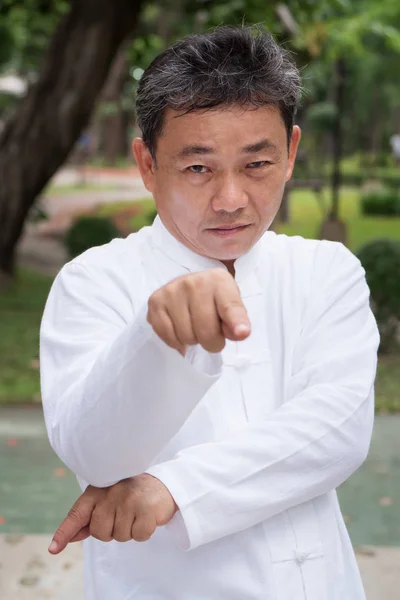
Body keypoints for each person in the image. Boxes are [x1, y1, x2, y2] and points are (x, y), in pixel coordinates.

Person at [40, 25, 379, 600]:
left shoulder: (326, 271)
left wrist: (171, 489)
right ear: (147, 165)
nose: (230, 199)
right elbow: (93, 453)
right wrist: (156, 340)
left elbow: (336, 431)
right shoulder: (93, 281)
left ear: (292, 153)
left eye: (256, 164)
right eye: (198, 168)